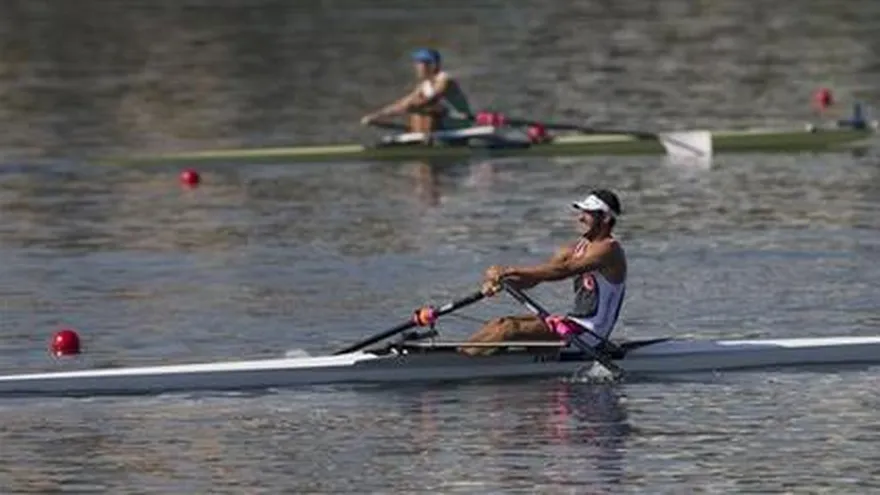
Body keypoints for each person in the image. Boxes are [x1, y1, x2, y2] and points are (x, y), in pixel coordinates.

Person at [462, 189, 627, 355]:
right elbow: (536, 277)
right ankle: (461, 355)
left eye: (588, 214)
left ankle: (464, 361)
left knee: (509, 328)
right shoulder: (574, 249)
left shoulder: (609, 250)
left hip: (590, 335)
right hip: (572, 324)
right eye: (581, 212)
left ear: (605, 218)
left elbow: (562, 271)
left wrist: (510, 270)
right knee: (499, 323)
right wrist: (503, 283)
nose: (580, 218)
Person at [360, 48, 473, 133]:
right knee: (415, 108)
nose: (417, 67)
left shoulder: (444, 79)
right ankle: (418, 140)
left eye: (421, 63)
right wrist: (376, 116)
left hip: (460, 122)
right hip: (442, 123)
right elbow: (402, 103)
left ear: (433, 65)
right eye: (417, 63)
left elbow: (431, 100)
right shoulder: (424, 86)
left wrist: (409, 107)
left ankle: (421, 143)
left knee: (424, 110)